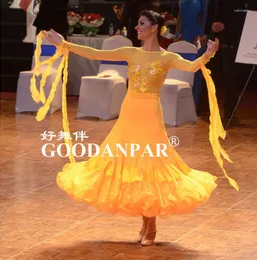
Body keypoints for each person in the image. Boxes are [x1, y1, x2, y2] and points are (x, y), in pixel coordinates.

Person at [32, 10, 238, 246]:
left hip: (150, 114)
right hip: (129, 111)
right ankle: (146, 226)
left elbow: (191, 67)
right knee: (130, 166)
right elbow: (95, 53)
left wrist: (208, 54)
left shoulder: (167, 57)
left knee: (148, 166)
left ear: (154, 28)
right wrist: (65, 43)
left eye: (141, 24)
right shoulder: (130, 52)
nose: (137, 28)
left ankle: (151, 228)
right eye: (137, 24)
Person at [203, 0, 257, 125]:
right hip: (222, 41)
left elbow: (249, 16)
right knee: (222, 76)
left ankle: (228, 113)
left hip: (244, 41)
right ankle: (220, 112)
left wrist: (226, 25)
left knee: (234, 77)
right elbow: (213, 11)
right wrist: (208, 31)